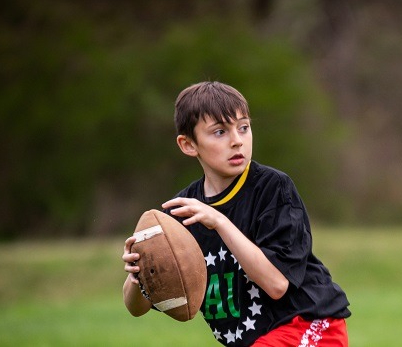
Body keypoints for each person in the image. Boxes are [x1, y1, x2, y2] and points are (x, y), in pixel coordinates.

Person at [122, 81, 350, 346]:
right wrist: (138, 275)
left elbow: (277, 284)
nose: (237, 141)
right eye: (219, 132)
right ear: (188, 144)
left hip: (308, 324)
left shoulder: (272, 188)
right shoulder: (179, 214)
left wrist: (219, 221)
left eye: (243, 127)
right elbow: (135, 308)